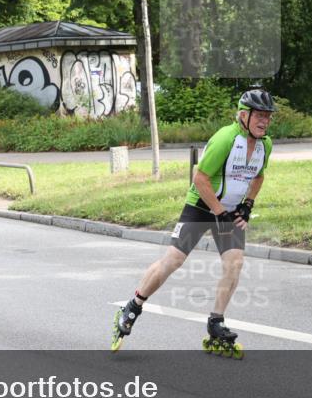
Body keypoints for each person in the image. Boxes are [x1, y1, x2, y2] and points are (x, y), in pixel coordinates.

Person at [111, 88, 276, 358]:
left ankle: (216, 322)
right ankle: (133, 305)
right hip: (201, 206)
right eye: (259, 115)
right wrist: (218, 211)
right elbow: (200, 178)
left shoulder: (264, 145)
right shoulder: (226, 139)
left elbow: (259, 176)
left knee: (234, 263)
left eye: (268, 117)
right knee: (173, 260)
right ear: (243, 115)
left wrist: (247, 205)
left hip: (229, 210)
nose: (264, 121)